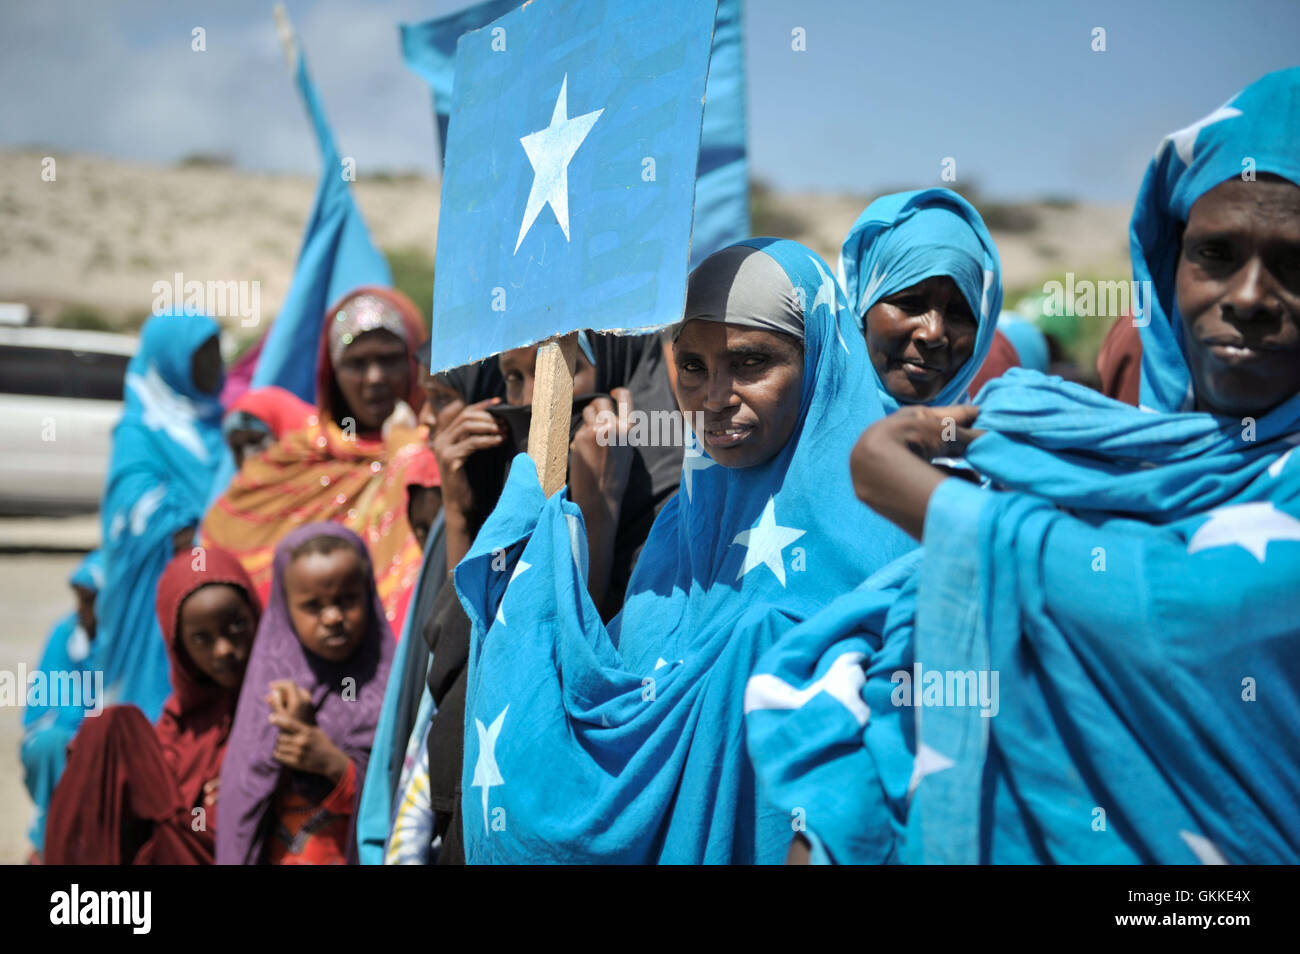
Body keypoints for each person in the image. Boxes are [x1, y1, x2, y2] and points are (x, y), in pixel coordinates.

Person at [745, 68, 1300, 864]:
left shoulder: (1025, 462)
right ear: (1169, 263)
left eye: (1296, 264)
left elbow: (1170, 608)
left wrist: (916, 491)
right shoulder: (1098, 463)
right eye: (1216, 252)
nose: (1248, 295)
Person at [454, 238, 916, 864]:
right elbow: (622, 707)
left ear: (819, 363)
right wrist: (537, 587)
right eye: (692, 365)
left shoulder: (891, 530)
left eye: (752, 362)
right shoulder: (684, 528)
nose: (715, 396)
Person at [203, 287, 431, 631]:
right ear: (331, 371)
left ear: (414, 363)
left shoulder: (437, 453)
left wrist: (407, 450)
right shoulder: (297, 458)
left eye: (389, 359)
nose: (375, 377)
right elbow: (223, 547)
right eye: (356, 363)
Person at [43, 545, 261, 864]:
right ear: (179, 646)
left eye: (237, 627)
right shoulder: (175, 726)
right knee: (108, 730)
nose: (224, 649)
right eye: (202, 639)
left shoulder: (281, 707)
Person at [217, 524, 394, 865]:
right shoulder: (266, 696)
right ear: (285, 609)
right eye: (313, 606)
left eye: (347, 600)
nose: (332, 617)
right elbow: (243, 806)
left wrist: (333, 763)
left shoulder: (391, 690)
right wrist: (286, 736)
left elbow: (406, 797)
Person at [90, 310, 227, 721]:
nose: (213, 366)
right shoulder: (138, 430)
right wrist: (203, 528)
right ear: (171, 360)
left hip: (211, 593)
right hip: (151, 596)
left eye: (216, 353)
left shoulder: (222, 424)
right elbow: (132, 509)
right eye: (201, 355)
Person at [837, 188, 1003, 410]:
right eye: (910, 304)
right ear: (859, 308)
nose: (933, 333)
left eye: (959, 315)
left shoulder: (983, 441)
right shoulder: (794, 435)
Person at [20, 550, 103, 860]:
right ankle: (50, 842)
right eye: (80, 600)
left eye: (91, 600)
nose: (83, 610)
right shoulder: (66, 635)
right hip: (71, 741)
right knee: (48, 745)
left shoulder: (130, 641)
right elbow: (44, 709)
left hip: (112, 742)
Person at [221, 385, 314, 469]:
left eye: (254, 440)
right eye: (238, 449)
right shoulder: (247, 484)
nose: (249, 454)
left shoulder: (318, 446)